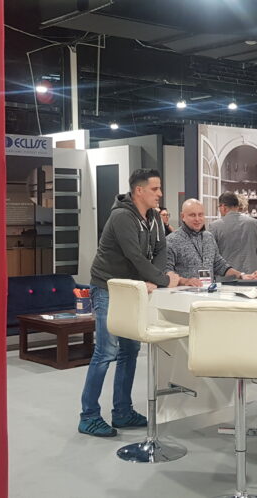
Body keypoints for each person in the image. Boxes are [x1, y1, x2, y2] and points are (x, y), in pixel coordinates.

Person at [80, 169, 181, 437]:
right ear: (139, 190)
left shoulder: (154, 218)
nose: (160, 194)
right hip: (108, 288)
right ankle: (88, 416)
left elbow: (161, 249)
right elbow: (134, 256)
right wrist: (163, 280)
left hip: (132, 289)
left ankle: (122, 412)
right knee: (105, 351)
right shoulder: (122, 217)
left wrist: (155, 279)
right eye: (155, 189)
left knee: (130, 349)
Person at [166, 198, 243, 283]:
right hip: (184, 291)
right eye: (192, 215)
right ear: (183, 216)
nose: (197, 219)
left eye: (200, 215)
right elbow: (166, 272)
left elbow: (218, 264)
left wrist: (241, 275)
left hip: (208, 290)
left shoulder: (208, 237)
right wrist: (185, 281)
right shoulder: (171, 241)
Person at [207, 191, 257, 274]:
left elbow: (211, 256)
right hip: (252, 275)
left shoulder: (214, 226)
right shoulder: (256, 223)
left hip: (226, 276)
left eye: (219, 207)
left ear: (223, 207)